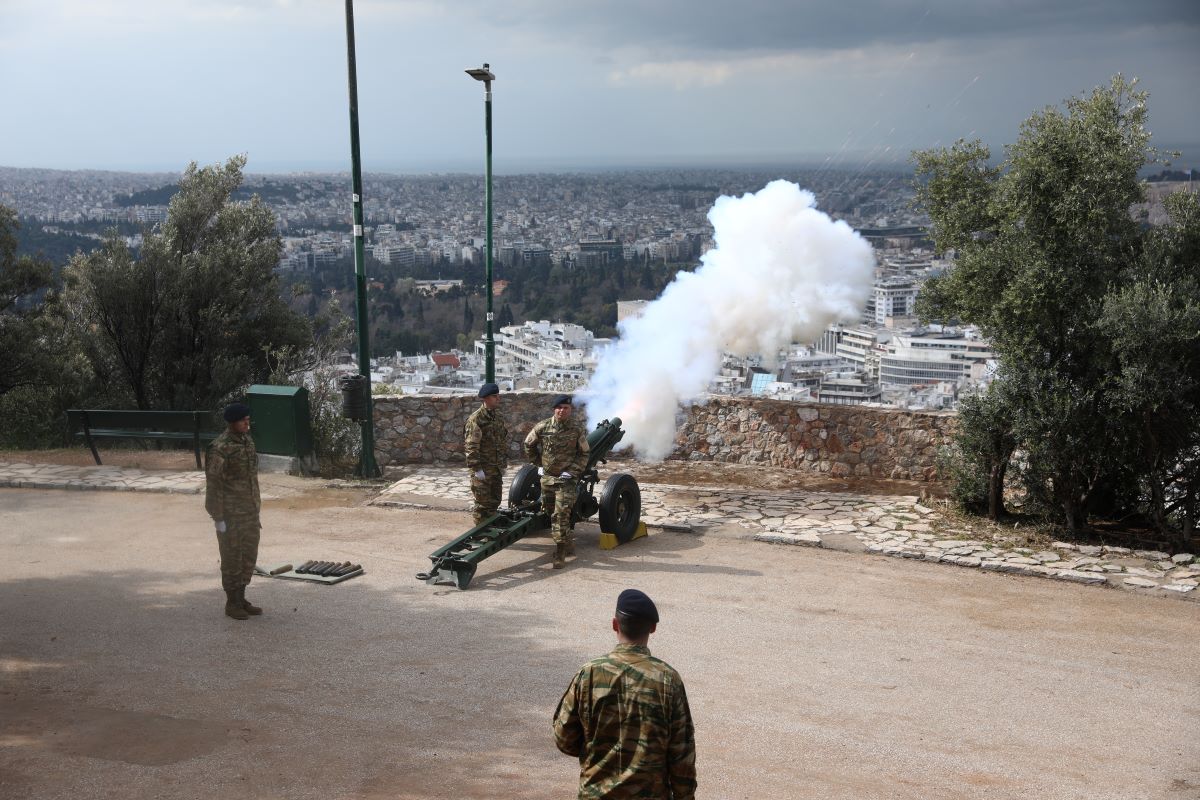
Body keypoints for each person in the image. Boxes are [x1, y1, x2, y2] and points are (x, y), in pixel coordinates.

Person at [553, 589, 697, 799]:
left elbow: (564, 739)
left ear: (615, 624)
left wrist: (598, 750)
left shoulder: (589, 674)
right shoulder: (668, 680)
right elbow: (681, 752)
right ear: (653, 628)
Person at [204, 402, 263, 621]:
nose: (247, 423)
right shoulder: (221, 447)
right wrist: (217, 516)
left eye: (248, 419)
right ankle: (232, 602)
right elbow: (214, 484)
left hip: (249, 511)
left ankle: (242, 597)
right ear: (232, 423)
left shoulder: (247, 441)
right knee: (231, 559)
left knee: (248, 556)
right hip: (230, 514)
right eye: (243, 421)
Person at [523, 394, 589, 568]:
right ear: (554, 409)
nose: (562, 411)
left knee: (561, 515)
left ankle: (559, 553)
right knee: (550, 512)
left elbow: (584, 453)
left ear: (570, 410)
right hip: (548, 479)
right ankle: (567, 541)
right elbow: (528, 444)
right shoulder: (543, 427)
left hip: (566, 480)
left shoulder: (576, 429)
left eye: (565, 408)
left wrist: (573, 471)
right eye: (559, 408)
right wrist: (538, 463)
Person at [464, 382, 509, 526]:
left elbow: (502, 441)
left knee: (494, 502)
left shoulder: (498, 417)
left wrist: (502, 465)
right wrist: (477, 469)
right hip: (483, 470)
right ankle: (479, 535)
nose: (498, 399)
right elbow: (471, 446)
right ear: (486, 398)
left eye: (498, 396)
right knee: (482, 506)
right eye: (494, 396)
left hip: (496, 469)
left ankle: (490, 532)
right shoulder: (476, 419)